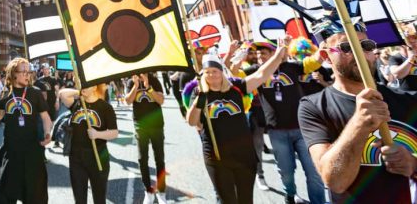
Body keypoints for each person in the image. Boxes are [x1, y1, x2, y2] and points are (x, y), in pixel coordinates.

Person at [298, 20, 417, 202]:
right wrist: (359, 123)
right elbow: (335, 182)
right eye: (347, 47)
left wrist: (413, 163)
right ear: (326, 56)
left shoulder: (409, 100)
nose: (359, 52)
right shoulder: (313, 107)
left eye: (366, 46)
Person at [187, 41, 290, 204]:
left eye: (215, 71)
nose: (211, 75)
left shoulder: (236, 87)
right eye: (207, 72)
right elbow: (192, 121)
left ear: (222, 72)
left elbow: (261, 75)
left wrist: (278, 55)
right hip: (216, 156)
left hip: (244, 154)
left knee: (245, 199)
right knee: (228, 200)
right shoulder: (199, 92)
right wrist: (198, 101)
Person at [253, 40, 325, 204]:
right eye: (257, 54)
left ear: (274, 54)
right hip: (276, 131)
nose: (259, 57)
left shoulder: (292, 67)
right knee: (286, 171)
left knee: (313, 171)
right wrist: (231, 56)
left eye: (263, 53)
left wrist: (323, 45)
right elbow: (235, 76)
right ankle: (290, 194)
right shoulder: (257, 72)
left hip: (302, 130)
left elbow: (315, 61)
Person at [0, 57, 53, 204]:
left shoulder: (35, 93)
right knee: (2, 195)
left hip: (32, 151)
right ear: (13, 74)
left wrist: (48, 133)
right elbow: (0, 116)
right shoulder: (5, 94)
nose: (27, 75)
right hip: (10, 151)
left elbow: (46, 118)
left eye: (29, 72)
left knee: (34, 196)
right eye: (24, 72)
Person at [58, 84, 117, 204]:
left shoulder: (105, 107)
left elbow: (114, 133)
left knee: (99, 199)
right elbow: (62, 94)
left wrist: (97, 134)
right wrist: (78, 92)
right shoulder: (77, 104)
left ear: (95, 87)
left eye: (87, 85)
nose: (83, 87)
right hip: (76, 158)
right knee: (79, 199)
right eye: (81, 84)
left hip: (98, 156)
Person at [125, 73, 166, 203]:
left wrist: (149, 87)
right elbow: (127, 101)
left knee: (159, 158)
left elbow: (161, 100)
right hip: (140, 125)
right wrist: (136, 86)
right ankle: (148, 191)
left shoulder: (154, 80)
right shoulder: (131, 82)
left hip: (156, 124)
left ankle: (162, 191)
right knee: (142, 159)